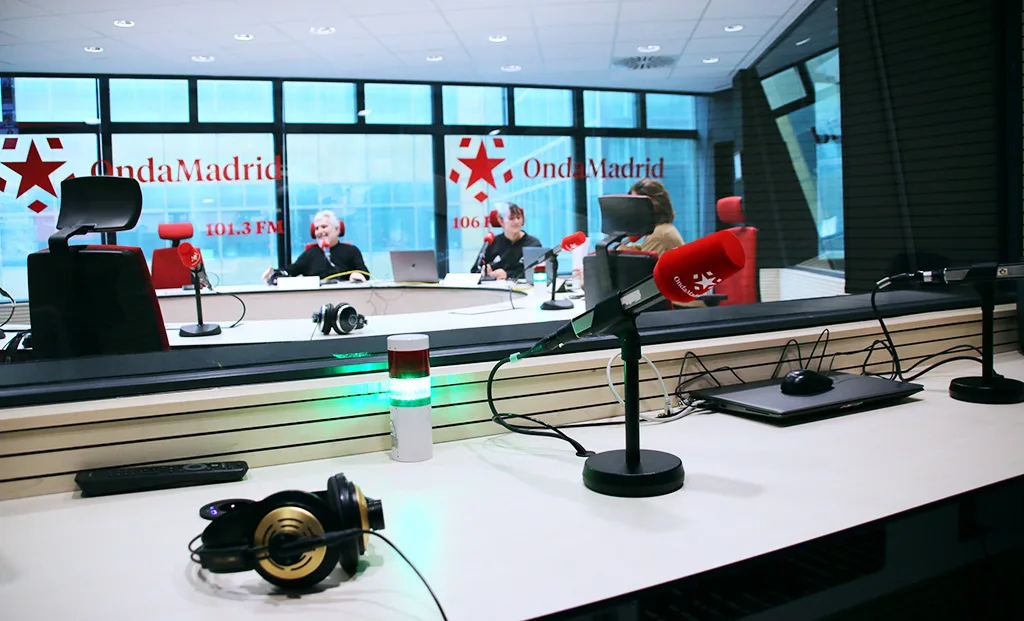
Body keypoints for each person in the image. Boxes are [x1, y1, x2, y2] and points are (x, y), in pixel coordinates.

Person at [263, 210, 368, 283]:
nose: (319, 231)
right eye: (317, 228)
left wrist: (357, 275)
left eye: (324, 227)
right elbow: (290, 271)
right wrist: (274, 274)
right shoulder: (309, 254)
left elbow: (365, 273)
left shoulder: (351, 251)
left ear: (337, 229)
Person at [471, 202, 541, 281]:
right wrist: (485, 273)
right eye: (511, 218)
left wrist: (507, 274)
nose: (516, 221)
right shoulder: (492, 242)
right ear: (501, 221)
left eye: (518, 218)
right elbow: (475, 270)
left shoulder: (533, 244)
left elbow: (536, 272)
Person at [627, 178, 685, 256]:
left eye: (636, 204)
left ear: (654, 206)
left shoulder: (658, 235)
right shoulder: (663, 229)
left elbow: (645, 264)